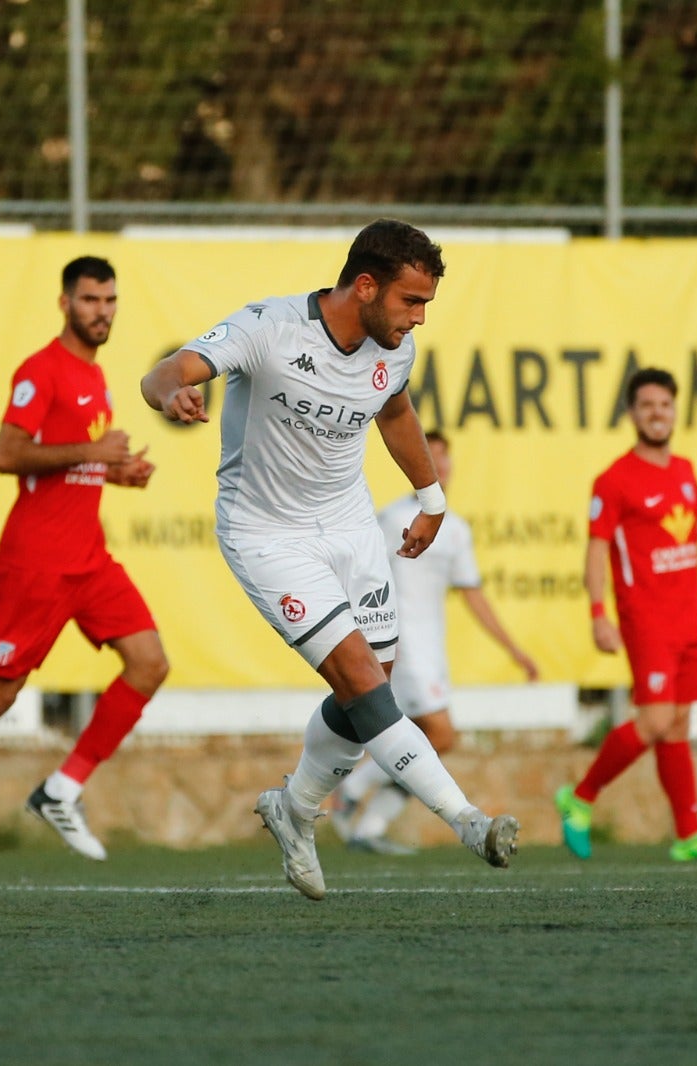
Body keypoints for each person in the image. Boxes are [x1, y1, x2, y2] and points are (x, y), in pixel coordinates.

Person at [140, 219, 519, 900]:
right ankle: (467, 820)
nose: (418, 319)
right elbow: (166, 371)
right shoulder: (269, 327)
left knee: (372, 684)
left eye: (426, 305)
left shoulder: (392, 348)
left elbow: (396, 412)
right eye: (411, 302)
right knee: (365, 683)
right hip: (267, 533)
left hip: (350, 528)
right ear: (365, 286)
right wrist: (172, 392)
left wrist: (430, 499)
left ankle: (294, 808)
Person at [0, 256, 168, 884]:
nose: (102, 311)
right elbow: (7, 454)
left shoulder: (96, 379)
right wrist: (93, 452)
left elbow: (73, 466)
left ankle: (61, 791)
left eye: (110, 300)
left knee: (150, 663)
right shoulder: (41, 371)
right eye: (90, 299)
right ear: (65, 302)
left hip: (88, 560)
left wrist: (115, 472)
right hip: (37, 563)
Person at [555, 367, 697, 862]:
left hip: (687, 617)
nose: (658, 413)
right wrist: (598, 612)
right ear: (633, 413)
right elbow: (596, 550)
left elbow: (692, 527)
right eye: (648, 405)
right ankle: (580, 798)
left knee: (677, 724)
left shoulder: (683, 471)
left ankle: (689, 834)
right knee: (654, 720)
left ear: (674, 412)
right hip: (646, 617)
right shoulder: (614, 481)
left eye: (665, 405)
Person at [329, 430, 539, 854]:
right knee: (441, 736)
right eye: (430, 457)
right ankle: (353, 789)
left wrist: (514, 650)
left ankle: (369, 827)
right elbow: (360, 572)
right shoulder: (391, 520)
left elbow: (473, 594)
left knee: (424, 742)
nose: (439, 466)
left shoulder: (456, 530)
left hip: (432, 650)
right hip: (401, 647)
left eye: (444, 458)